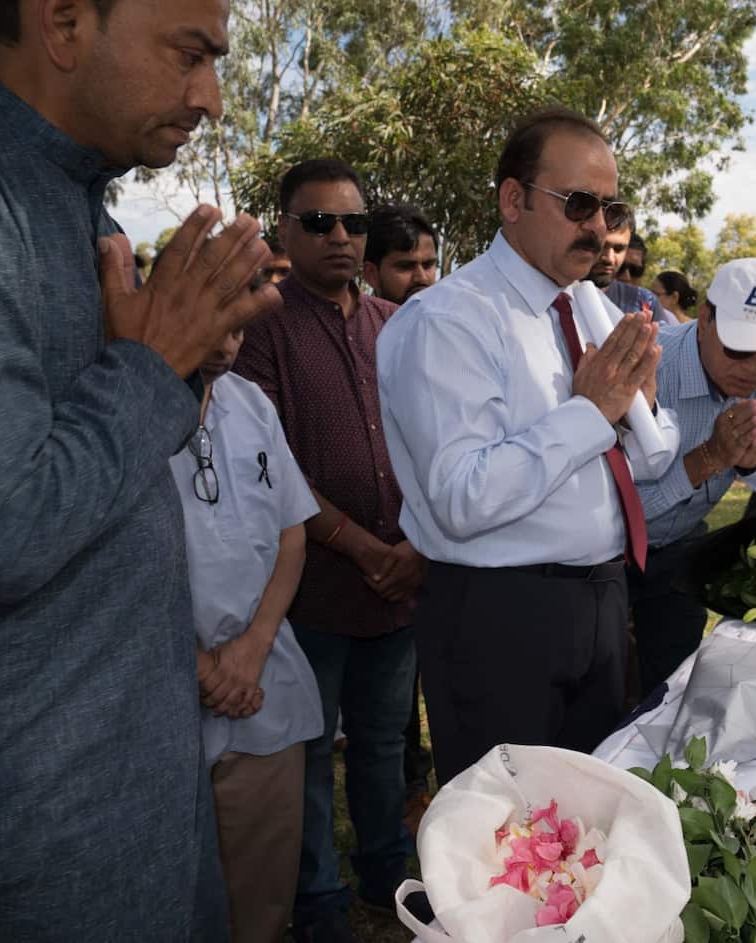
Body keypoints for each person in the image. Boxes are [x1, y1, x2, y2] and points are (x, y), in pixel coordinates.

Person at [0, 0, 279, 938]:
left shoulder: (84, 201)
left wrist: (183, 363)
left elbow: (103, 456)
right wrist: (154, 366)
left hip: (144, 784)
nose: (213, 97)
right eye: (191, 55)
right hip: (37, 843)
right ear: (65, 23)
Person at [377, 107, 680, 785]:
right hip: (498, 613)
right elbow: (462, 495)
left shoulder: (585, 305)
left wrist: (643, 411)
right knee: (504, 847)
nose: (598, 228)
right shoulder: (450, 319)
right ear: (513, 200)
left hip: (599, 597)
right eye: (578, 204)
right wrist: (592, 410)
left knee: (587, 828)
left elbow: (635, 461)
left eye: (609, 207)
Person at [232, 158, 422, 942]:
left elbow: (427, 437)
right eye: (319, 222)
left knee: (383, 743)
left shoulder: (395, 322)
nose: (340, 236)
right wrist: (360, 544)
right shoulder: (262, 326)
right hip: (311, 590)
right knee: (310, 751)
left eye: (353, 222)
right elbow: (271, 460)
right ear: (285, 228)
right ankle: (317, 902)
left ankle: (389, 875)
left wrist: (411, 544)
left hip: (402, 578)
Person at [171, 327, 324, 943]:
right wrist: (202, 667)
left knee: (261, 892)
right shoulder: (122, 409)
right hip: (165, 684)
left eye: (238, 323)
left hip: (261, 681)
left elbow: (293, 534)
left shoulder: (252, 402)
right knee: (174, 888)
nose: (224, 338)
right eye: (210, 316)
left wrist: (253, 648)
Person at [634, 259, 756, 695]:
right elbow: (609, 504)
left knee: (674, 693)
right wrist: (706, 459)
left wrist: (753, 458)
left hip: (678, 551)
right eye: (739, 348)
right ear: (704, 319)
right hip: (601, 557)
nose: (755, 371)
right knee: (598, 707)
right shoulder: (648, 363)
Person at [362, 202, 440, 832]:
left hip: (436, 551)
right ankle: (404, 803)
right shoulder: (375, 332)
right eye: (404, 265)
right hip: (362, 557)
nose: (420, 277)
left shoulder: (444, 330)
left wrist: (420, 546)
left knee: (434, 680)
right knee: (383, 715)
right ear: (370, 271)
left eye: (430, 263)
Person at [586, 212, 676, 325]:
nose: (609, 259)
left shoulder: (647, 303)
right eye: (602, 246)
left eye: (619, 249)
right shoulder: (562, 293)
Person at [363, 204, 439, 305]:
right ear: (372, 274)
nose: (421, 277)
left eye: (428, 265)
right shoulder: (357, 320)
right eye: (406, 266)